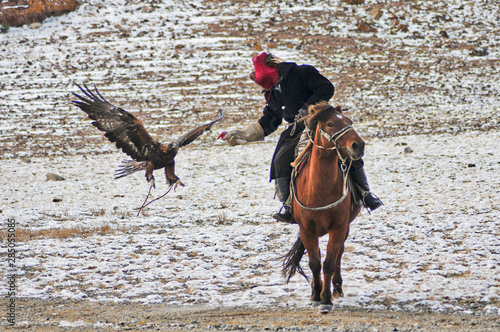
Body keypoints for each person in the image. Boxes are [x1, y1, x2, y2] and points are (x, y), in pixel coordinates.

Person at [222, 52, 382, 223]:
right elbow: (271, 119)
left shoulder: (302, 73)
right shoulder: (272, 93)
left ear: (275, 70)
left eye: (273, 83)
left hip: (323, 118)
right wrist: (244, 134)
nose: (272, 86)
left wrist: (308, 107)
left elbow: (327, 87)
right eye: (269, 86)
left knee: (346, 148)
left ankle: (365, 194)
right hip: (296, 129)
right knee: (280, 161)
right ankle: (289, 205)